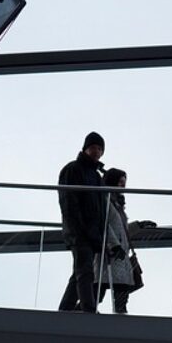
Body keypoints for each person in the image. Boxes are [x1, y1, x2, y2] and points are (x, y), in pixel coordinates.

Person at [57, 131, 106, 313]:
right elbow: (68, 202)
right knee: (85, 270)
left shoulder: (97, 177)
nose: (96, 151)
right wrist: (77, 229)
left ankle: (65, 310)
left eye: (100, 149)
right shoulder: (73, 169)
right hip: (79, 231)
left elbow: (100, 209)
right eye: (93, 147)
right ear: (85, 149)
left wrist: (99, 234)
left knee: (80, 271)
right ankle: (89, 310)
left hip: (92, 233)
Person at [94, 168, 142, 314]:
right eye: (120, 182)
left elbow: (122, 230)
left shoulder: (117, 204)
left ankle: (120, 312)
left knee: (120, 286)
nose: (123, 186)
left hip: (120, 252)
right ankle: (85, 311)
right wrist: (114, 245)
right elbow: (103, 225)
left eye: (124, 182)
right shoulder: (105, 200)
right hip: (109, 251)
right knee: (99, 288)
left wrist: (139, 225)